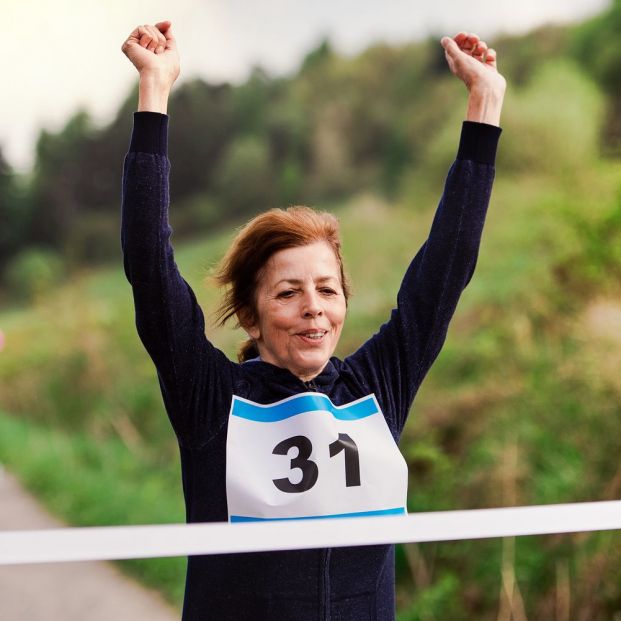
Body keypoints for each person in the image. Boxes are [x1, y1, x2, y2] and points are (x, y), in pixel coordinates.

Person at [121, 20, 505, 621]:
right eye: (288, 293)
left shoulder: (377, 387)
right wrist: (156, 89)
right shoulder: (210, 400)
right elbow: (148, 263)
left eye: (327, 289)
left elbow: (447, 267)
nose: (313, 308)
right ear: (250, 315)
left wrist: (486, 102)